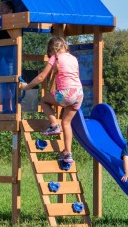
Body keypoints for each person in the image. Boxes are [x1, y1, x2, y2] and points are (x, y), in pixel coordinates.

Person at [20, 36, 83, 164]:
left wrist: (26, 87)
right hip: (79, 94)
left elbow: (42, 77)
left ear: (52, 50)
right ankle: (67, 153)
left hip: (66, 93)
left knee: (44, 100)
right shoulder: (73, 58)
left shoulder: (56, 57)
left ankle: (54, 125)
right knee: (66, 122)